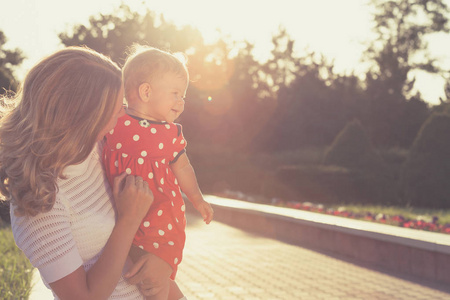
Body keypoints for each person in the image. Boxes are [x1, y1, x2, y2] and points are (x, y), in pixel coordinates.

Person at [0, 46, 161, 299]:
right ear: (82, 119)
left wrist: (163, 265)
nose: (124, 114)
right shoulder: (38, 204)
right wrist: (128, 221)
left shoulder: (98, 149)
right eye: (116, 108)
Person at [103, 45, 214, 300]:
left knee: (155, 280)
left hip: (159, 214)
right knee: (132, 266)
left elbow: (183, 167)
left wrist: (197, 199)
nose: (181, 101)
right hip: (120, 211)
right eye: (176, 93)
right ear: (145, 91)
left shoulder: (170, 134)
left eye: (183, 95)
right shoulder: (114, 119)